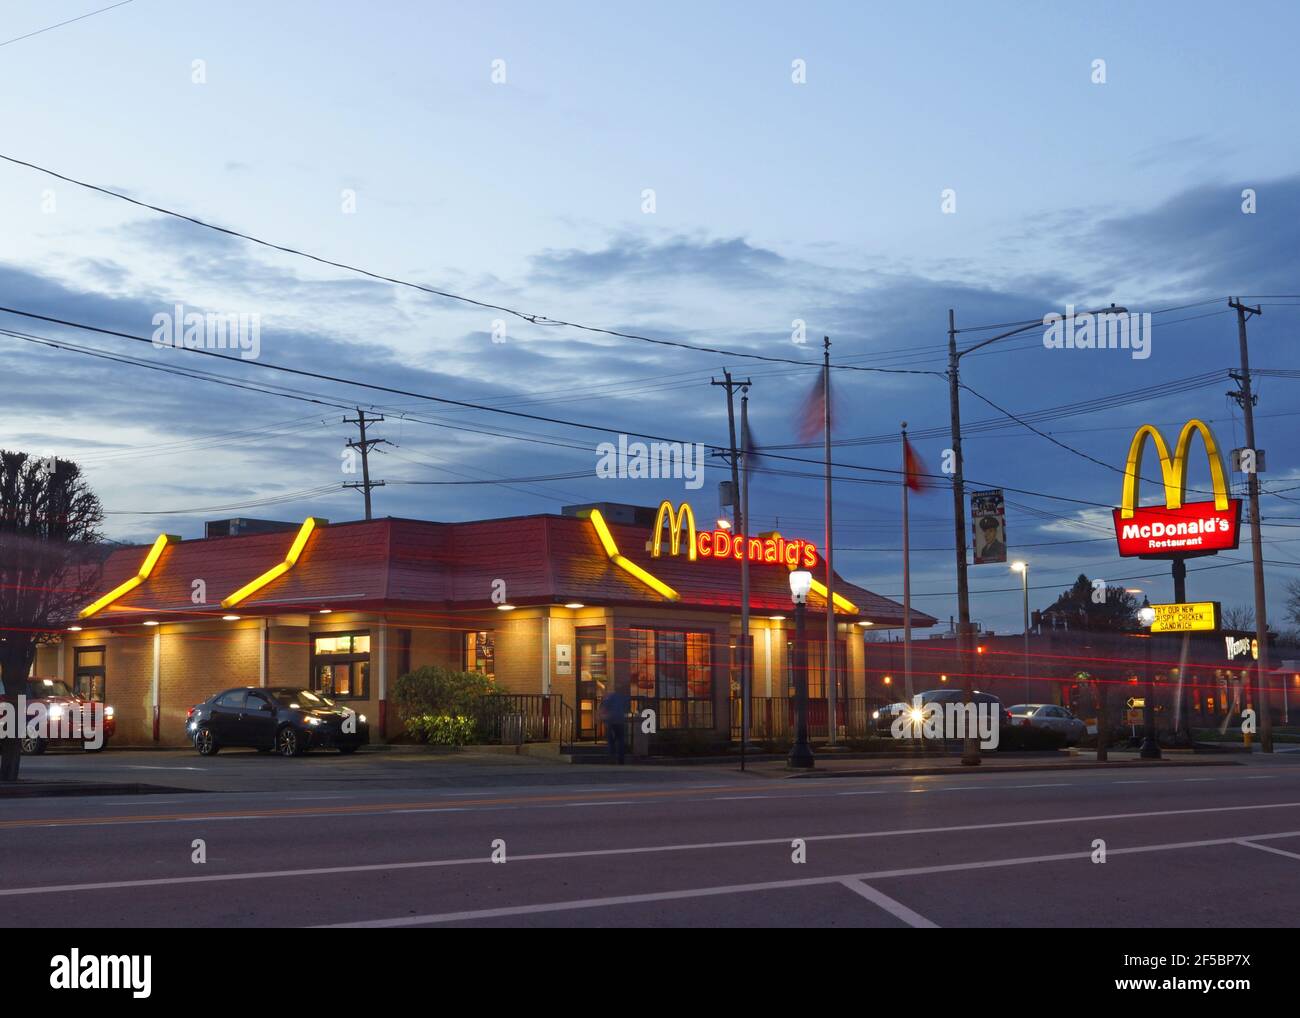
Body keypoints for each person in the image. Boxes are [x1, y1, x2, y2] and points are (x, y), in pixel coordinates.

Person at [599, 688, 630, 764]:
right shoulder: (622, 697)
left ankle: (611, 757)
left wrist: (602, 717)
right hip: (620, 720)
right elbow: (626, 708)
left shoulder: (609, 697)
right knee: (620, 740)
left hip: (611, 720)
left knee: (610, 739)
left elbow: (604, 708)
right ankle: (620, 759)